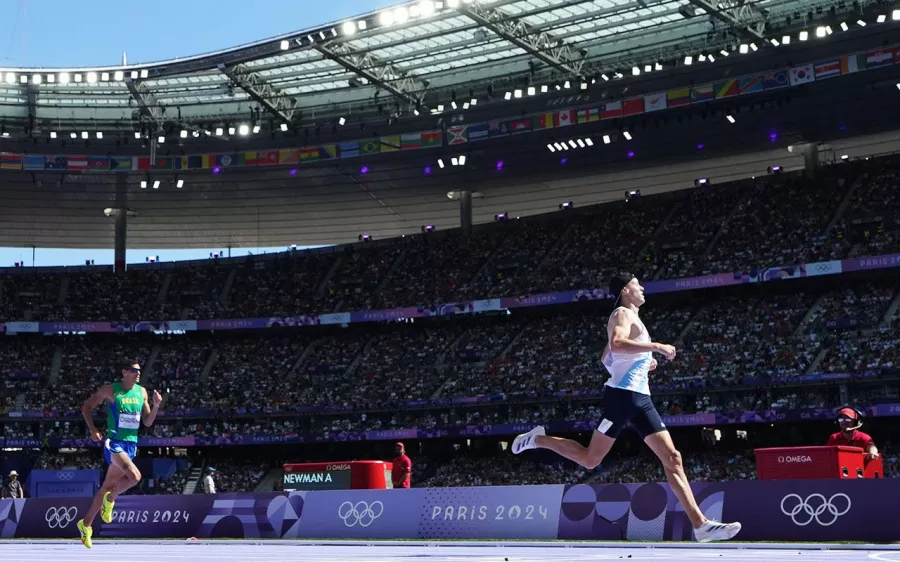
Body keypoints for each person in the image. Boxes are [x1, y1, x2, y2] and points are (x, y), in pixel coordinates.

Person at [511, 273, 741, 542]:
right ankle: (537, 438)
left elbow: (606, 357)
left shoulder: (634, 317)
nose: (642, 288)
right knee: (590, 460)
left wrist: (643, 359)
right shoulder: (621, 313)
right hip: (621, 398)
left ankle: (700, 525)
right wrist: (655, 347)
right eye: (637, 284)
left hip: (641, 398)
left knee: (673, 458)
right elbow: (617, 344)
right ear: (625, 290)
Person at [76, 360, 163, 549]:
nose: (137, 373)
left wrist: (156, 406)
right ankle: (111, 499)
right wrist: (92, 430)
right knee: (135, 476)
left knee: (108, 485)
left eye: (139, 370)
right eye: (133, 370)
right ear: (124, 372)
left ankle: (86, 524)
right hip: (114, 442)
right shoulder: (110, 390)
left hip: (131, 444)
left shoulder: (142, 392)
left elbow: (147, 422)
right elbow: (86, 407)